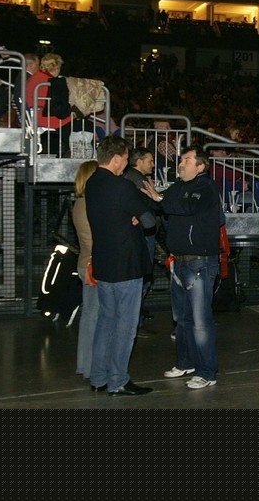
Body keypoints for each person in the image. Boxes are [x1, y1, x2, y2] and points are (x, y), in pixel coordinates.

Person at [142, 145, 222, 389]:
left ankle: (207, 372)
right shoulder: (178, 187)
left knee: (200, 320)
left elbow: (184, 206)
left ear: (200, 166)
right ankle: (186, 362)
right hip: (178, 261)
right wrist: (160, 200)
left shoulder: (206, 187)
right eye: (181, 159)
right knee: (182, 319)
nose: (180, 163)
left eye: (187, 160)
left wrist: (161, 199)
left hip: (199, 261)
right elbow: (164, 205)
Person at [85, 136, 157, 397]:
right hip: (127, 264)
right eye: (126, 159)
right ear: (116, 159)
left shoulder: (91, 183)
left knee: (106, 321)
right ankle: (118, 380)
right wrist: (137, 215)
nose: (127, 164)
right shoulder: (122, 186)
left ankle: (98, 377)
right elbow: (150, 221)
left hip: (104, 262)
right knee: (125, 326)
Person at [122, 145, 159, 330]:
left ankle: (135, 320)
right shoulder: (138, 181)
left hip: (140, 234)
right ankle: (134, 323)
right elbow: (150, 210)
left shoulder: (133, 178)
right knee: (142, 277)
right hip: (143, 235)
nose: (153, 164)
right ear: (139, 162)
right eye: (150, 161)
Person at [72, 159, 99, 386]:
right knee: (95, 318)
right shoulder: (90, 205)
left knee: (90, 317)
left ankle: (85, 364)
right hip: (94, 265)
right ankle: (91, 366)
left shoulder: (80, 203)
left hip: (86, 263)